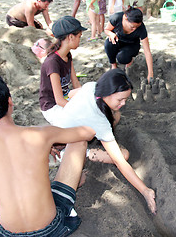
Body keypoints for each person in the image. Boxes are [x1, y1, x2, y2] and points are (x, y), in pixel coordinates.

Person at [0, 70, 96, 236]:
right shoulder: (40, 134)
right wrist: (51, 143)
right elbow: (88, 133)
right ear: (10, 101)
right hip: (50, 229)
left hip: (5, 233)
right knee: (78, 142)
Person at [50, 68, 157, 215]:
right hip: (66, 146)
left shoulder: (91, 86)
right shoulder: (99, 120)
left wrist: (75, 114)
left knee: (116, 115)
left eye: (125, 99)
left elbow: (70, 94)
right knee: (124, 155)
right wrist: (145, 191)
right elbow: (120, 162)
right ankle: (84, 153)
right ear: (108, 92)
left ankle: (80, 146)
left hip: (57, 131)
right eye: (120, 99)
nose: (123, 103)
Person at [39, 16, 86, 125]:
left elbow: (76, 83)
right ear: (70, 37)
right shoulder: (53, 62)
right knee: (80, 122)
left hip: (66, 97)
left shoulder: (67, 55)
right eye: (79, 36)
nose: (80, 40)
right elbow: (59, 100)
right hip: (52, 106)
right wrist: (80, 111)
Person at [104, 7, 154, 82]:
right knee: (108, 44)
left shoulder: (141, 28)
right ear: (125, 18)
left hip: (132, 45)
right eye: (132, 27)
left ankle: (129, 60)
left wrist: (150, 73)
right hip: (118, 40)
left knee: (122, 58)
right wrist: (110, 34)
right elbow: (107, 29)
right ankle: (113, 65)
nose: (134, 29)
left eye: (137, 27)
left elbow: (147, 51)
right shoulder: (117, 18)